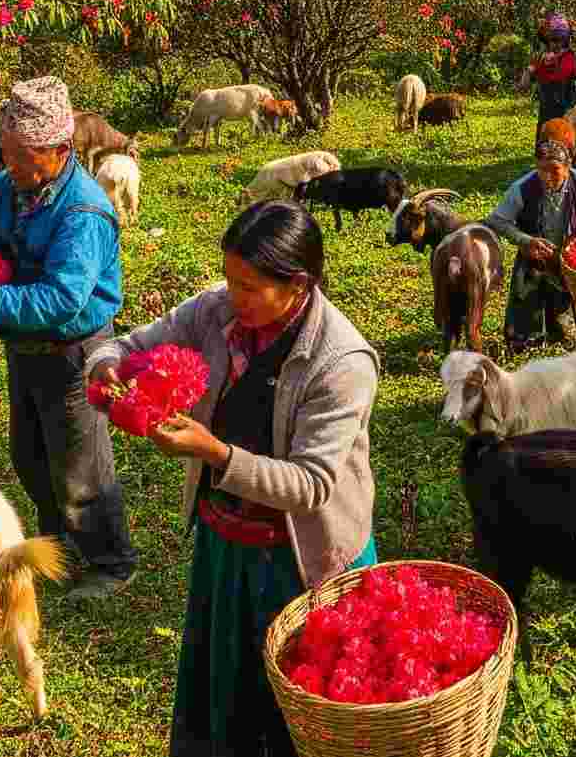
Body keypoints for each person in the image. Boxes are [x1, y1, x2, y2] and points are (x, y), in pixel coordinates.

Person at [88, 202, 381, 757]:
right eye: (229, 278)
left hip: (304, 560)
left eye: (248, 286)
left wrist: (217, 455)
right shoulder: (217, 313)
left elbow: (312, 484)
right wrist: (109, 367)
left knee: (302, 711)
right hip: (229, 544)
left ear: (297, 284)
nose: (232, 295)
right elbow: (126, 345)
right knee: (225, 697)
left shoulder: (340, 361)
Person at [0, 75, 138, 600]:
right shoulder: (13, 186)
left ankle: (110, 563)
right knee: (30, 455)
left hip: (74, 351)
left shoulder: (84, 211)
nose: (10, 166)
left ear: (61, 149)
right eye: (8, 153)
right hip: (25, 344)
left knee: (80, 467)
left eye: (22, 157)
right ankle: (59, 550)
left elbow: (64, 298)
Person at [485, 124, 576, 351]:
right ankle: (525, 340)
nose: (547, 176)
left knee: (568, 327)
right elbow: (497, 220)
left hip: (570, 258)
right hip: (533, 255)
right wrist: (524, 240)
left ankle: (569, 330)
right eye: (542, 169)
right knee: (524, 324)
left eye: (554, 170)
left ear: (568, 166)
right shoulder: (522, 188)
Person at [529, 13, 576, 125]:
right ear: (547, 41)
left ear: (566, 40)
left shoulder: (573, 56)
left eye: (560, 40)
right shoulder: (541, 57)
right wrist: (531, 69)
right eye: (553, 40)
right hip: (547, 113)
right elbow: (529, 80)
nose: (556, 44)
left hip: (568, 110)